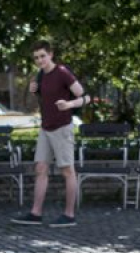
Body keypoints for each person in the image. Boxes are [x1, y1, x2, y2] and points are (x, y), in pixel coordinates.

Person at [13, 40, 90, 228]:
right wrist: (34, 89)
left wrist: (69, 104)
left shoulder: (62, 72)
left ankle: (69, 215)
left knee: (67, 170)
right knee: (40, 168)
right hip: (45, 128)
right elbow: (45, 97)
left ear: (51, 55)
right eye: (36, 58)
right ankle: (35, 213)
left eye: (42, 56)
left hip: (62, 127)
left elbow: (85, 97)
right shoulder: (40, 76)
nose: (40, 60)